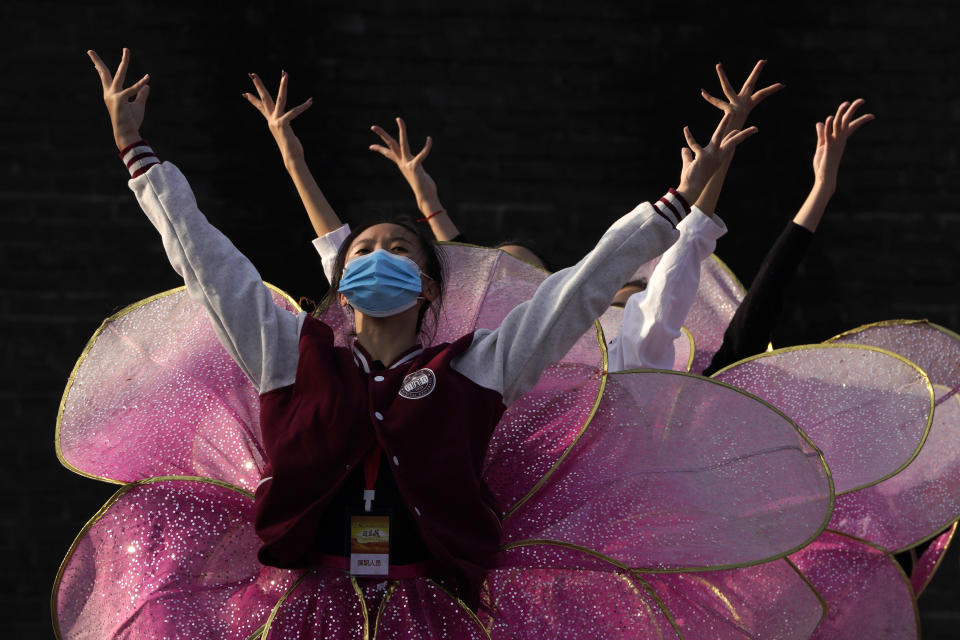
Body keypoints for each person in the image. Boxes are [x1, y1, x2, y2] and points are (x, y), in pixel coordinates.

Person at [89, 47, 756, 610]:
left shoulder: (475, 368)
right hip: (309, 605)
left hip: (431, 610)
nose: (381, 256)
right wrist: (137, 154)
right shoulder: (290, 353)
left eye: (401, 249)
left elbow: (576, 292)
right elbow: (207, 263)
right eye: (365, 251)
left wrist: (671, 206)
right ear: (342, 288)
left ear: (430, 287)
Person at [703, 97, 874, 375]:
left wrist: (822, 189)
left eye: (632, 303)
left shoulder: (709, 390)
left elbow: (766, 292)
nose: (629, 315)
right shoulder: (609, 381)